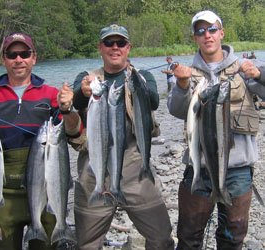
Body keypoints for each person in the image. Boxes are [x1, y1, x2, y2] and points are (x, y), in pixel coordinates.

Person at [0, 33, 81, 250]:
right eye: (12, 54)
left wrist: (67, 108)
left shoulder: (51, 94)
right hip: (4, 195)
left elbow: (75, 131)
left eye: (24, 54)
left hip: (46, 191)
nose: (18, 59)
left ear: (33, 58)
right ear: (4, 59)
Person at [167, 10, 265, 249]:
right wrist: (181, 85)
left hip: (239, 171)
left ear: (221, 33)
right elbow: (176, 110)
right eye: (200, 31)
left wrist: (260, 75)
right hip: (198, 170)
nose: (207, 35)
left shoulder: (245, 67)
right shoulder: (184, 73)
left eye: (211, 29)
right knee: (188, 237)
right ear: (195, 38)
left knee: (233, 238)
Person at [71, 24, 174, 250]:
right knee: (86, 244)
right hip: (94, 167)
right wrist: (82, 92)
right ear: (100, 47)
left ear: (128, 48)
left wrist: (139, 84)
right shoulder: (87, 78)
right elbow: (74, 101)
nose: (114, 47)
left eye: (120, 43)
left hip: (135, 165)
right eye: (109, 43)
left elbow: (154, 100)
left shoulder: (142, 76)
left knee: (161, 238)